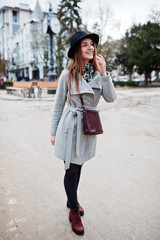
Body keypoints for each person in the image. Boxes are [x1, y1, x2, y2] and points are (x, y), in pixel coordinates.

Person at [50, 30, 116, 235]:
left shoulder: (98, 74)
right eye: (85, 44)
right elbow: (58, 105)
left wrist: (104, 73)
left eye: (92, 44)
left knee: (78, 168)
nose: (90, 47)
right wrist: (53, 132)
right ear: (78, 50)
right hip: (70, 127)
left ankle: (73, 200)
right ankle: (73, 210)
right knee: (70, 169)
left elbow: (111, 98)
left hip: (87, 127)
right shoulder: (67, 74)